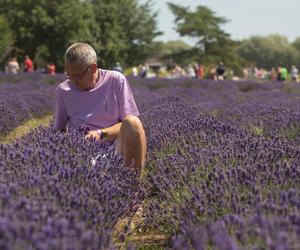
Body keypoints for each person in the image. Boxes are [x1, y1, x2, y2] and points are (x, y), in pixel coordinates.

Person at [54, 42, 146, 171]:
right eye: (69, 75)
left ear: (92, 68)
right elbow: (58, 132)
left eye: (77, 76)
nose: (73, 81)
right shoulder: (63, 90)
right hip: (83, 153)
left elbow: (130, 128)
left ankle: (134, 185)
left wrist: (101, 134)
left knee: (133, 122)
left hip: (116, 147)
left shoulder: (115, 80)